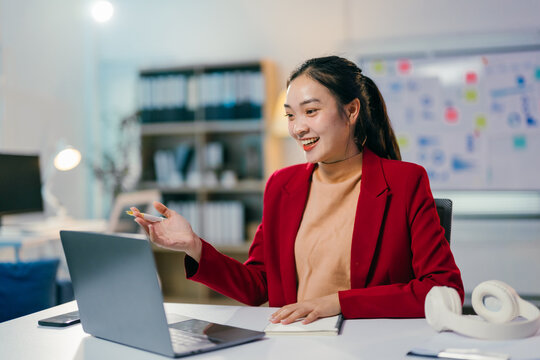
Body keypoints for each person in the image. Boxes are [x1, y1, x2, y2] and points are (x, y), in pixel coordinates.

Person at [132, 55, 464, 326]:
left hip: (366, 344)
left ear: (351, 111)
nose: (297, 127)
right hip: (292, 343)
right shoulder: (282, 185)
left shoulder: (405, 181)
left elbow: (443, 289)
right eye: (291, 115)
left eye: (311, 111)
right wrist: (194, 246)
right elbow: (257, 285)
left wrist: (337, 302)